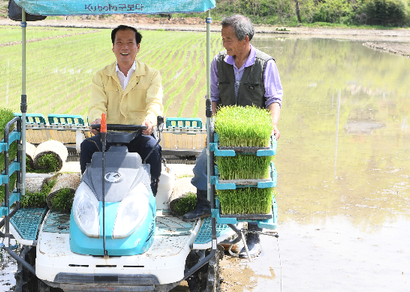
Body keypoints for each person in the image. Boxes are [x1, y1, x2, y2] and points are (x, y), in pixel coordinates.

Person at [182, 15, 283, 259]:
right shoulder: (219, 62)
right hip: (225, 131)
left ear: (245, 39)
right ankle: (204, 205)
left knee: (255, 180)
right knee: (205, 163)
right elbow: (214, 96)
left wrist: (271, 125)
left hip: (253, 137)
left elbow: (274, 99)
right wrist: (214, 125)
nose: (224, 43)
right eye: (223, 38)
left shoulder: (265, 63)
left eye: (229, 39)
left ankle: (254, 232)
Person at [80, 25, 163, 195]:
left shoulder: (152, 75)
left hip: (138, 135)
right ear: (113, 47)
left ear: (138, 47)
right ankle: (90, 193)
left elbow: (154, 103)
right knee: (87, 147)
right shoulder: (101, 76)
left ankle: (151, 193)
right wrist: (96, 119)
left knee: (153, 148)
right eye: (119, 42)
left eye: (130, 43)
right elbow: (96, 104)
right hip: (107, 135)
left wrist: (149, 121)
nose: (124, 47)